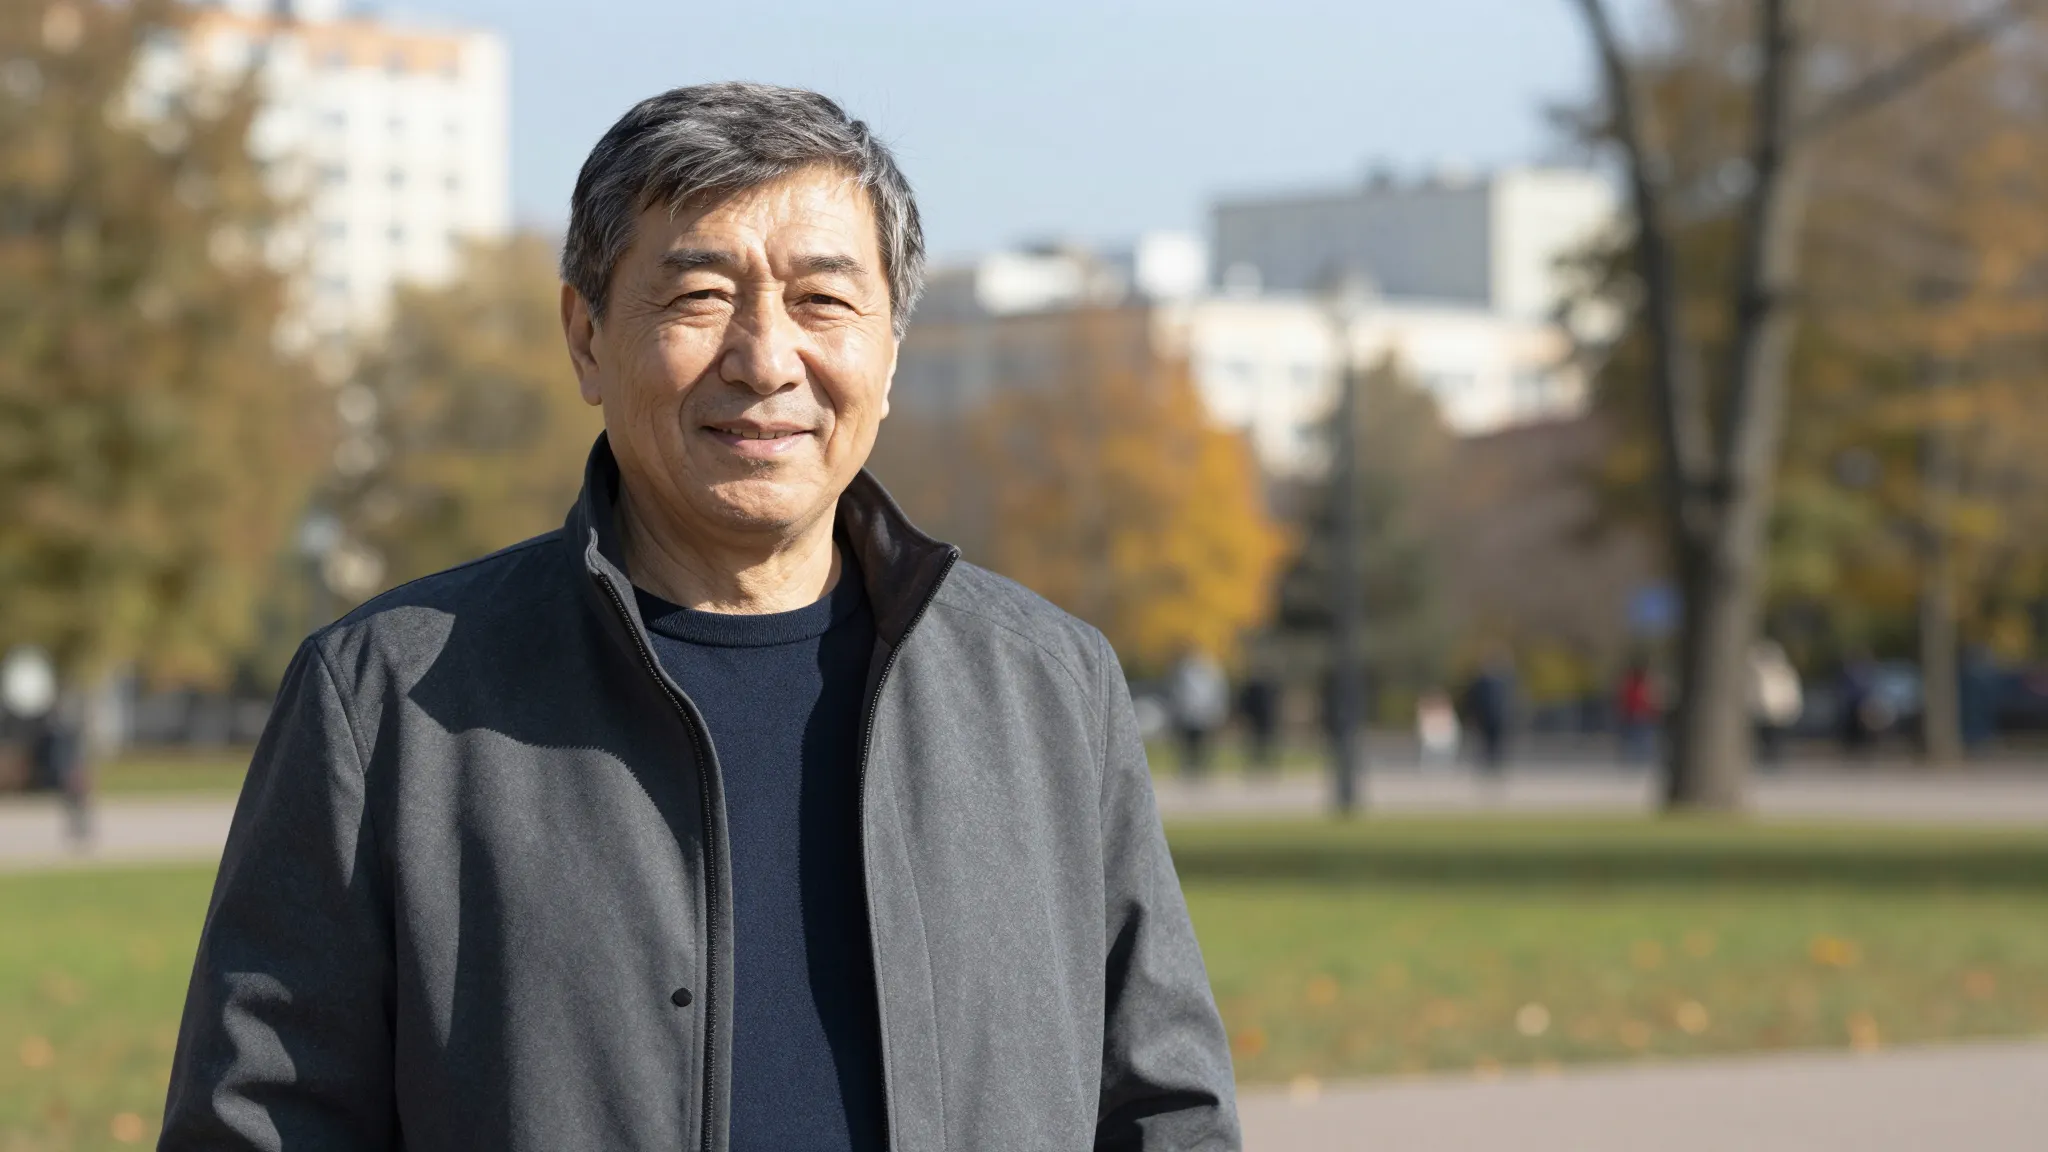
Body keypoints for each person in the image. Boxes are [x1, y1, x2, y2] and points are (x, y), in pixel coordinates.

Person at [161, 84, 1237, 1151]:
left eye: (823, 301)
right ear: (585, 337)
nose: (765, 359)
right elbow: (258, 1127)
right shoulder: (388, 704)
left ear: (891, 349)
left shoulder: (1048, 688)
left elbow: (1164, 1115)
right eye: (699, 297)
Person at [1167, 647, 1230, 779]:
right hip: (1188, 712)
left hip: (1204, 712)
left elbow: (1217, 692)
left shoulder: (1211, 671)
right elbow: (1177, 691)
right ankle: (1189, 768)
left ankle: (1201, 769)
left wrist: (1217, 710)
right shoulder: (1183, 671)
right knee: (1187, 743)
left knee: (1204, 744)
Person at [1461, 655, 1515, 787]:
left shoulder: (1503, 683)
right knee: (1483, 746)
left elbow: (1507, 702)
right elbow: (1472, 702)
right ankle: (1485, 771)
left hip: (1498, 720)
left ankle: (1496, 770)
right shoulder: (1478, 683)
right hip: (1483, 720)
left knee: (1497, 746)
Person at [1749, 638, 1803, 769]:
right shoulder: (1759, 672)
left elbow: (1790, 691)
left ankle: (1775, 761)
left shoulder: (1783, 671)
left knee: (1777, 740)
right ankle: (1768, 761)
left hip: (1779, 711)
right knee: (1766, 739)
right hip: (1767, 711)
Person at [1615, 658, 1660, 767]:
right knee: (1632, 740)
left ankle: (1642, 761)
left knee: (1643, 739)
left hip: (1643, 717)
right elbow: (1624, 700)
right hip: (1631, 716)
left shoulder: (1645, 684)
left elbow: (1650, 700)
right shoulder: (1631, 684)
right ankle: (1631, 761)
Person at [1237, 670, 1281, 773]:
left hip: (1264, 717)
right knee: (1257, 741)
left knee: (1265, 741)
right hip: (1259, 717)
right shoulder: (1256, 687)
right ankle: (1258, 761)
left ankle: (1265, 761)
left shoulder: (1262, 687)